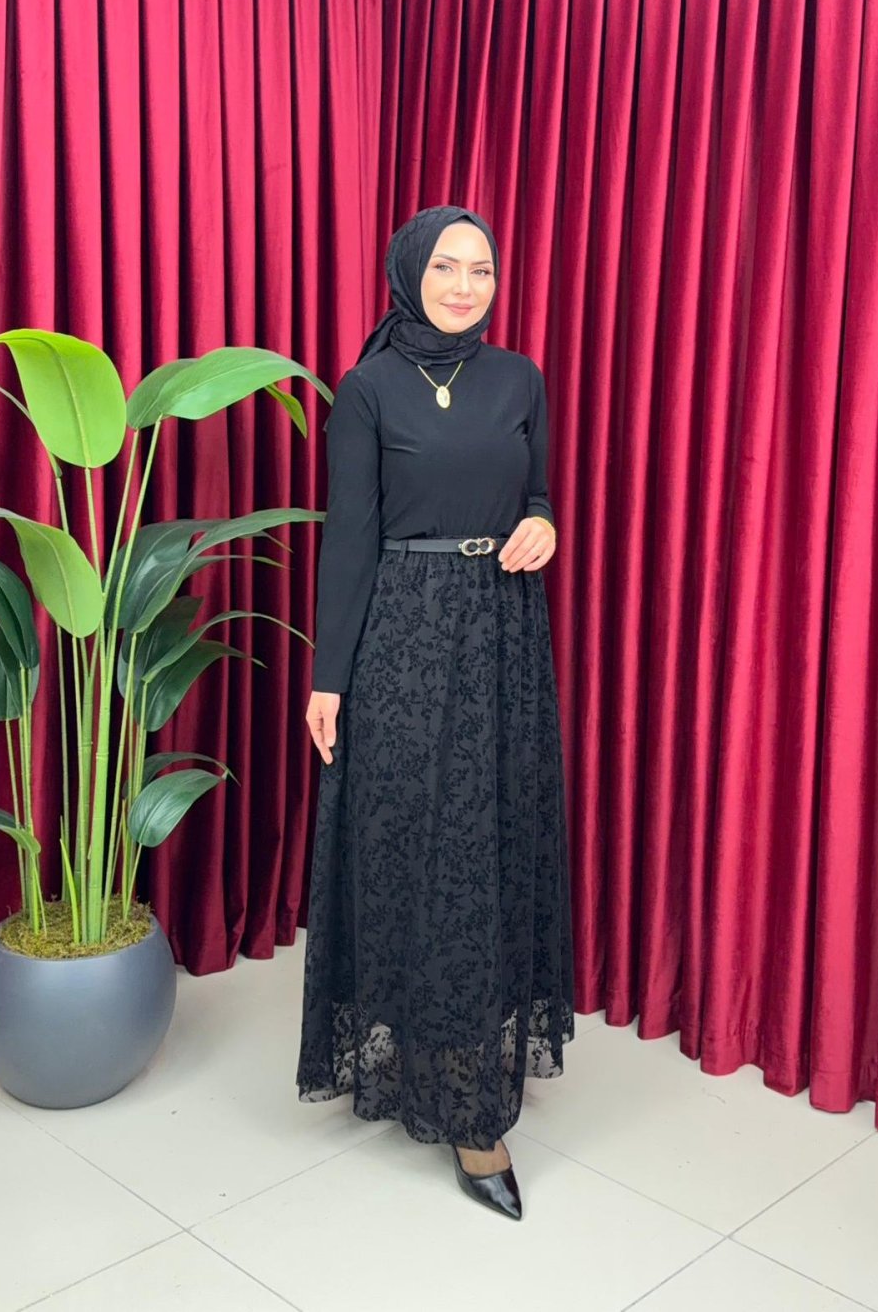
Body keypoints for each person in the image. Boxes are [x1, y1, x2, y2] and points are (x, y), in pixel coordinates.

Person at [296, 204, 574, 1221]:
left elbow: (538, 491)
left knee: (486, 845)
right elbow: (348, 538)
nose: (464, 285)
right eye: (446, 266)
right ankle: (438, 1072)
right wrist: (329, 677)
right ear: (409, 271)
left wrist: (542, 523)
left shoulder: (519, 378)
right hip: (404, 637)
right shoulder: (368, 388)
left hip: (503, 631)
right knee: (418, 844)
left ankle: (471, 1090)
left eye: (482, 270)